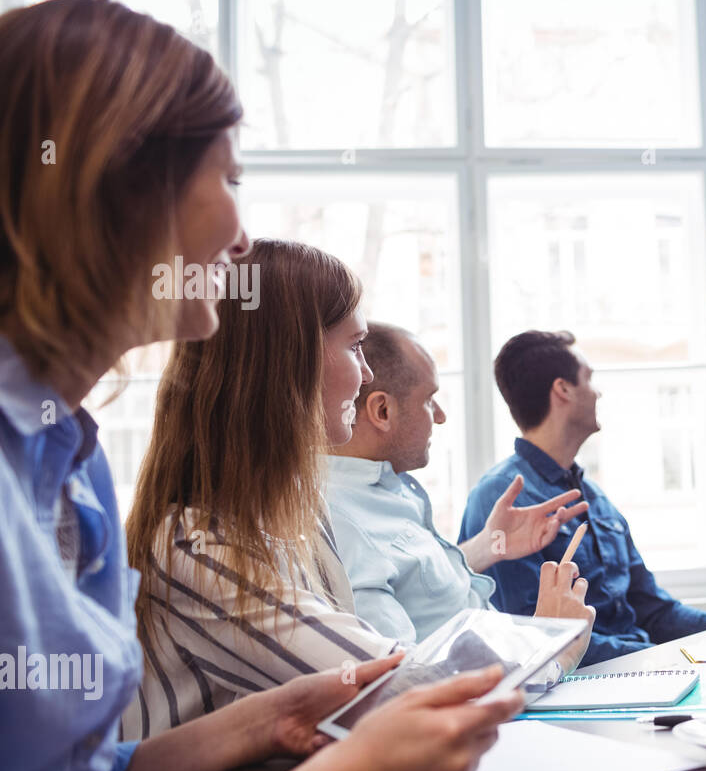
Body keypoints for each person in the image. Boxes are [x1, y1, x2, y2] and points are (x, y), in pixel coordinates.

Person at [0, 0, 519, 771]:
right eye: (228, 181)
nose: (242, 240)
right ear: (116, 188)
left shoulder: (70, 458)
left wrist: (258, 721)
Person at [123, 242, 594, 739]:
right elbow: (396, 692)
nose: (366, 373)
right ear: (289, 364)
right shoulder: (197, 548)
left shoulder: (290, 517)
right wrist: (552, 640)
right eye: (353, 347)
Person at [460, 330, 706, 665]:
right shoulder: (502, 499)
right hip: (582, 684)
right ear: (563, 390)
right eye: (589, 379)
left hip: (642, 668)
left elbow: (652, 610)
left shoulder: (594, 497)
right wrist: (669, 659)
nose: (597, 392)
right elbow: (533, 636)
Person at [325, 322, 595, 643]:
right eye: (429, 400)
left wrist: (491, 544)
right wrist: (551, 635)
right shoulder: (344, 522)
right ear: (382, 410)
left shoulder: (393, 492)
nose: (440, 416)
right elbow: (405, 679)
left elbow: (422, 590)